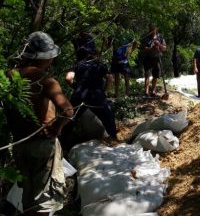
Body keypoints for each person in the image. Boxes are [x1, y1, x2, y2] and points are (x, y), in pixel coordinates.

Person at [5, 31, 74, 215]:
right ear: (45, 58)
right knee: (43, 201)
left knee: (27, 197)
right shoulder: (45, 80)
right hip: (42, 146)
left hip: (19, 146)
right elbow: (68, 111)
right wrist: (56, 127)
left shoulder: (9, 76)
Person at [65, 37, 117, 141]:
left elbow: (68, 78)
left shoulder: (77, 64)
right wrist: (104, 90)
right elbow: (110, 79)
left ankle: (62, 142)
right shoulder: (99, 65)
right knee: (108, 117)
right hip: (97, 95)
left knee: (69, 119)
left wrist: (75, 87)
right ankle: (113, 138)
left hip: (79, 95)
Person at [141, 24, 167, 97]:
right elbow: (143, 49)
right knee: (147, 75)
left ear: (156, 29)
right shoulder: (146, 37)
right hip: (148, 58)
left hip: (157, 58)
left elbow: (164, 48)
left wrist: (159, 45)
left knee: (155, 75)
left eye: (153, 29)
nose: (151, 30)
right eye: (150, 28)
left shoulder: (160, 37)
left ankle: (153, 91)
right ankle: (146, 91)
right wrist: (151, 48)